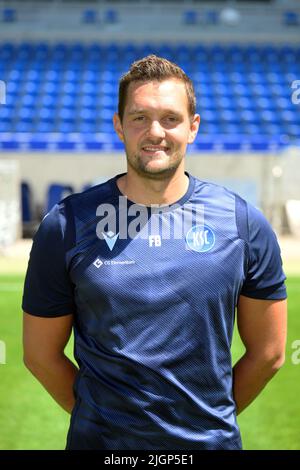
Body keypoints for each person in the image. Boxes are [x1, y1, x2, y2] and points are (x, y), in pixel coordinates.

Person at [22, 55, 287, 450]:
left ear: (193, 127)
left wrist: (206, 425)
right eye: (140, 118)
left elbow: (269, 354)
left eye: (170, 118)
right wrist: (104, 425)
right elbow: (40, 355)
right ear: (119, 126)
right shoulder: (67, 224)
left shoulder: (242, 223)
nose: (155, 132)